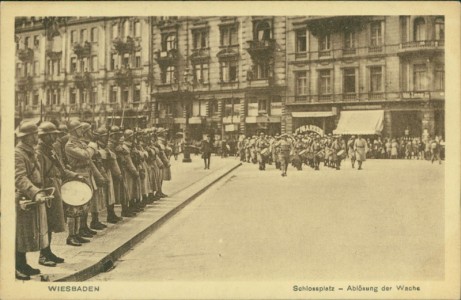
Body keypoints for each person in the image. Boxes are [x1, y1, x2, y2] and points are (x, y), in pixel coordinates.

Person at [36, 122, 81, 263]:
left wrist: (74, 175)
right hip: (47, 191)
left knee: (51, 222)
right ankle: (43, 255)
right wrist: (42, 193)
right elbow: (39, 176)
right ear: (45, 136)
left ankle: (48, 251)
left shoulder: (50, 150)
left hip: (55, 188)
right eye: (53, 134)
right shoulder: (39, 152)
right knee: (44, 223)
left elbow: (61, 169)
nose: (56, 136)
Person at [15, 121, 51, 280]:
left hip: (32, 197)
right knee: (18, 234)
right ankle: (16, 266)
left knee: (26, 234)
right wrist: (35, 192)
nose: (37, 136)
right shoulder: (18, 153)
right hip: (23, 198)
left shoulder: (30, 152)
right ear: (28, 137)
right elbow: (19, 178)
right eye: (35, 134)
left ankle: (23, 264)